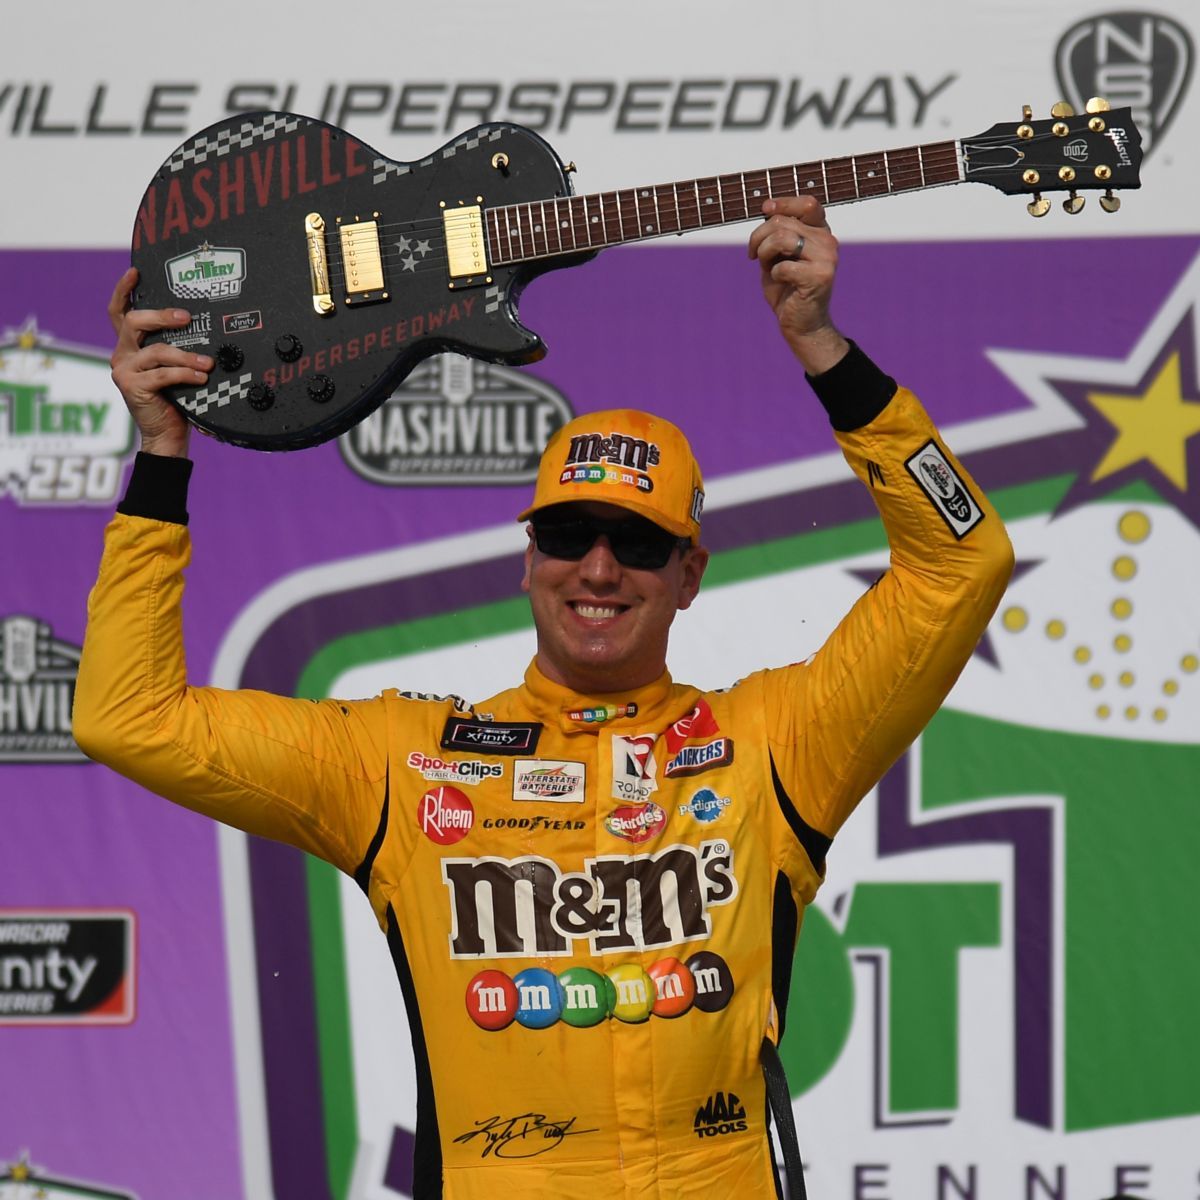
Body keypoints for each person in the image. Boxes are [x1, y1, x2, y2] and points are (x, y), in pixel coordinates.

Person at [74, 195, 1014, 1199]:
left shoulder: (775, 745)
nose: (598, 569)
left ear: (689, 575)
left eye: (638, 543)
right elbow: (128, 717)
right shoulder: (402, 763)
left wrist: (825, 351)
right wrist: (162, 461)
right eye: (568, 535)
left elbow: (963, 563)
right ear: (528, 560)